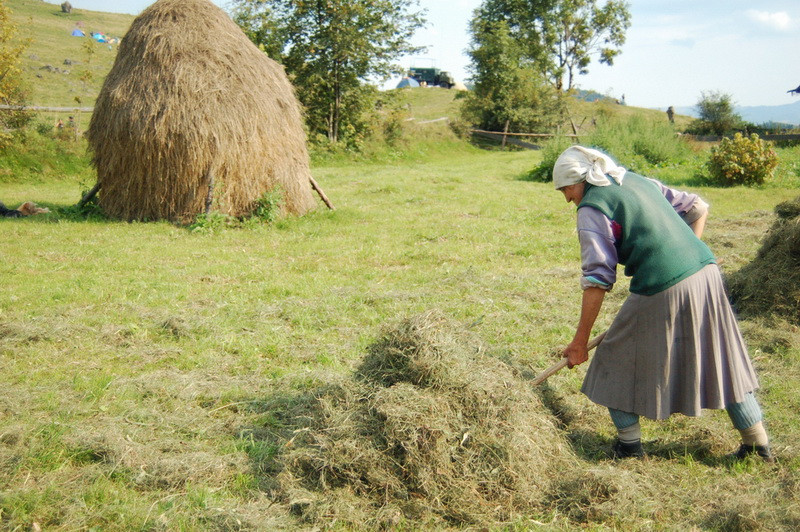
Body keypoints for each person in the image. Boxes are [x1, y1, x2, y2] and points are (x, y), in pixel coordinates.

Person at [553, 145, 773, 461]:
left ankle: (629, 447)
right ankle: (757, 445)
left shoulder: (592, 208)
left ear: (580, 180)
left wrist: (579, 342)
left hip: (664, 284)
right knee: (721, 357)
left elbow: (598, 278)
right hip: (706, 273)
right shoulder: (637, 180)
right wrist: (685, 255)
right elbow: (697, 208)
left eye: (566, 188)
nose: (567, 197)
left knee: (612, 359)